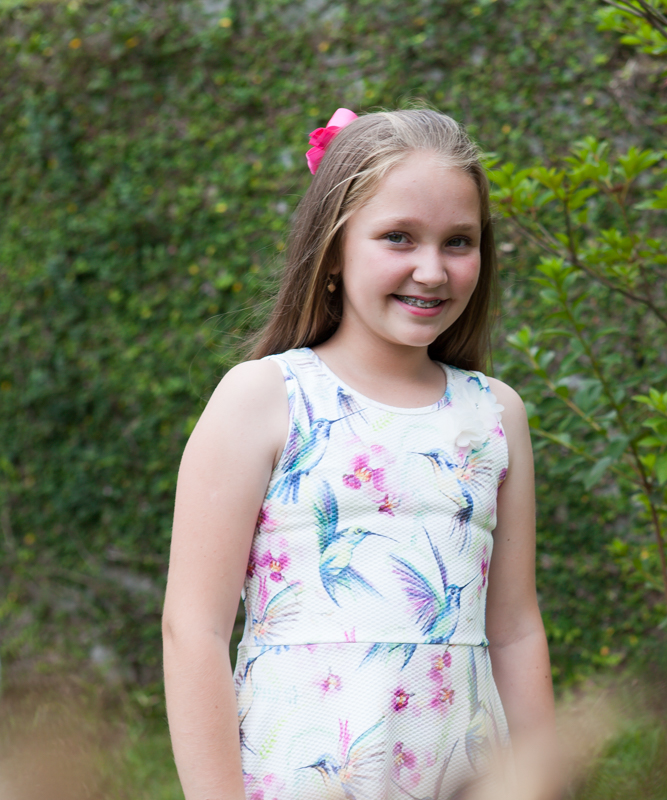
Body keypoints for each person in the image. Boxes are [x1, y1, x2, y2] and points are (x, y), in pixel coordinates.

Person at [162, 108, 554, 800]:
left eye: (458, 242)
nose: (431, 270)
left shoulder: (495, 414)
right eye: (398, 237)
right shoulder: (265, 398)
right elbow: (193, 628)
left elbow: (516, 630)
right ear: (334, 247)